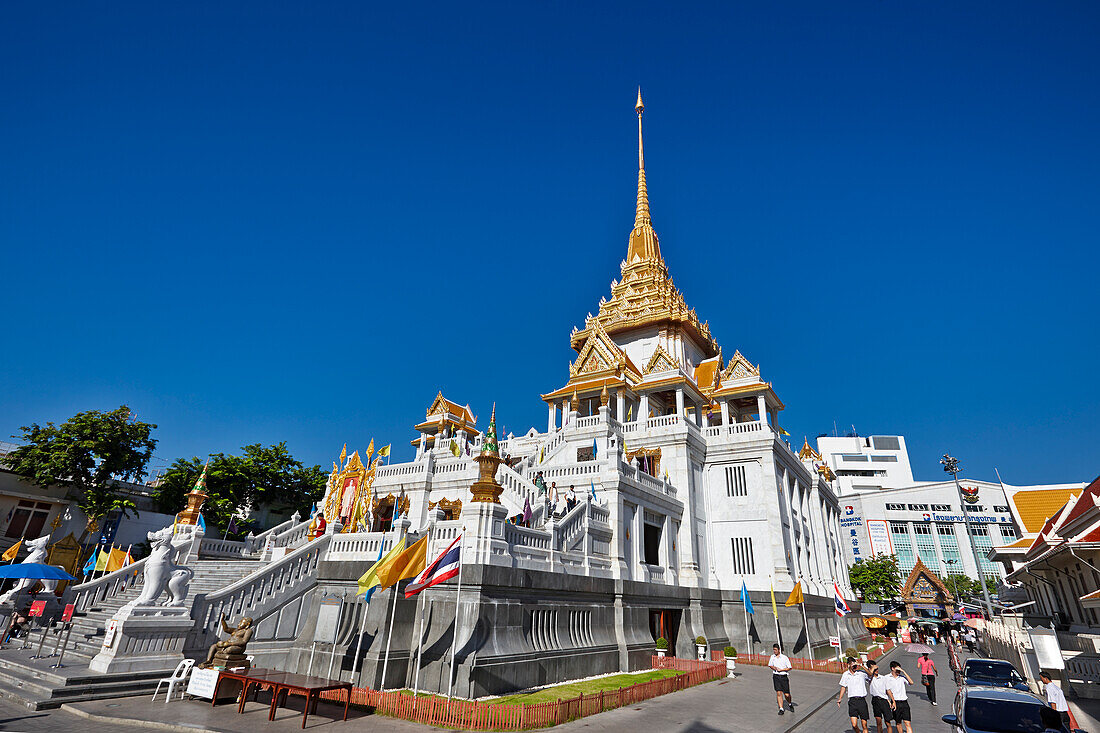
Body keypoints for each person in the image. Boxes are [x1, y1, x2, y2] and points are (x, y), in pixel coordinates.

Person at [838, 657, 871, 733]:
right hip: (852, 701)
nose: (855, 667)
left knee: (864, 724)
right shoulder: (846, 674)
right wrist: (840, 698)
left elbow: (870, 674)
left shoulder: (861, 673)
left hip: (862, 701)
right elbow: (843, 687)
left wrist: (861, 665)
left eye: (855, 665)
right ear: (848, 665)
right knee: (854, 724)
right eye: (853, 666)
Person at [886, 661, 914, 733]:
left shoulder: (902, 677)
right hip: (895, 703)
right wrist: (890, 702)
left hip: (904, 702)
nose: (899, 671)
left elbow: (911, 682)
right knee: (898, 723)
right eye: (897, 670)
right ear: (892, 668)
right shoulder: (887, 678)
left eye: (899, 670)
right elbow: (886, 691)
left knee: (907, 723)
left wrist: (904, 672)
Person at [768, 643, 794, 715]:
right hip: (776, 676)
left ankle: (789, 703)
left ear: (779, 650)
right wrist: (775, 668)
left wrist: (782, 670)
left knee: (787, 694)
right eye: (773, 650)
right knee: (779, 693)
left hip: (783, 677)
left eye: (776, 650)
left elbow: (789, 667)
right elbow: (770, 665)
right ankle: (781, 708)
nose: (774, 651)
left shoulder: (784, 658)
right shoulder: (772, 657)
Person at [867, 660, 892, 733]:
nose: (876, 670)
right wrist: (871, 669)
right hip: (875, 701)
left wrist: (892, 701)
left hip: (884, 701)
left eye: (877, 668)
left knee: (887, 722)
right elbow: (868, 674)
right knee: (878, 722)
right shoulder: (870, 678)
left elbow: (888, 690)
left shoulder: (883, 678)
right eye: (874, 669)